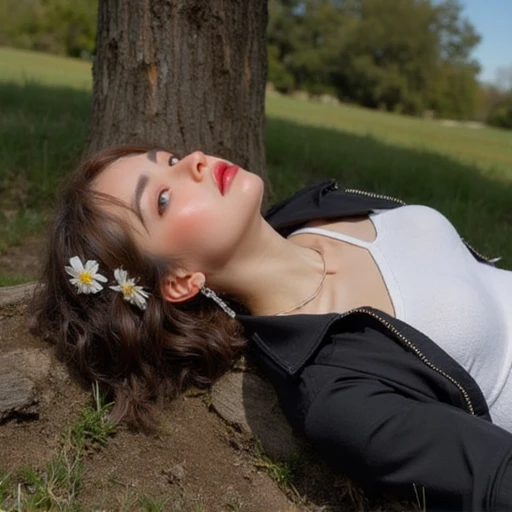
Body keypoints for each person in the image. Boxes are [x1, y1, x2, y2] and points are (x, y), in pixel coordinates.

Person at [31, 145, 512, 511]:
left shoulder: (315, 209)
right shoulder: (334, 391)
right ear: (178, 281)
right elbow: (493, 478)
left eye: (172, 157)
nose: (195, 160)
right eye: (161, 198)